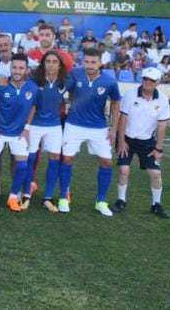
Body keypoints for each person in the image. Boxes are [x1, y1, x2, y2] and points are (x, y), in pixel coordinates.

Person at [59, 48, 121, 216]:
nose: (89, 65)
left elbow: (116, 102)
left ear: (101, 63)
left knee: (107, 162)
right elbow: (62, 90)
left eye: (93, 62)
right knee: (67, 159)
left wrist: (114, 128)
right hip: (74, 124)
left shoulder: (109, 81)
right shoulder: (75, 73)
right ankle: (63, 197)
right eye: (86, 61)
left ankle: (101, 201)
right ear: (82, 61)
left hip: (99, 127)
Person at [112, 67, 170, 218]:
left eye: (152, 80)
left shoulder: (162, 99)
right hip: (127, 139)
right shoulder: (130, 95)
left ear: (158, 82)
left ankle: (156, 205)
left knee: (156, 173)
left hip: (147, 142)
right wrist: (121, 141)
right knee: (123, 170)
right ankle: (121, 201)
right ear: (141, 79)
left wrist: (158, 148)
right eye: (145, 78)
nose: (147, 82)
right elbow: (122, 118)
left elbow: (162, 125)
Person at [0, 53, 39, 212]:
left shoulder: (33, 88)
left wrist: (27, 128)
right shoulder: (1, 84)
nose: (17, 71)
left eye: (21, 68)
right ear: (10, 68)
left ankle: (13, 196)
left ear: (26, 70)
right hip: (0, 131)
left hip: (19, 133)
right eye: (14, 67)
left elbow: (33, 107)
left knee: (22, 165)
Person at [29, 51, 70, 213]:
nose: (51, 64)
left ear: (60, 66)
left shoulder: (66, 81)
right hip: (35, 124)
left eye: (54, 62)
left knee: (54, 157)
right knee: (31, 157)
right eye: (48, 61)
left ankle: (47, 196)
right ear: (43, 64)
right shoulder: (34, 80)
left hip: (54, 125)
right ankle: (26, 193)